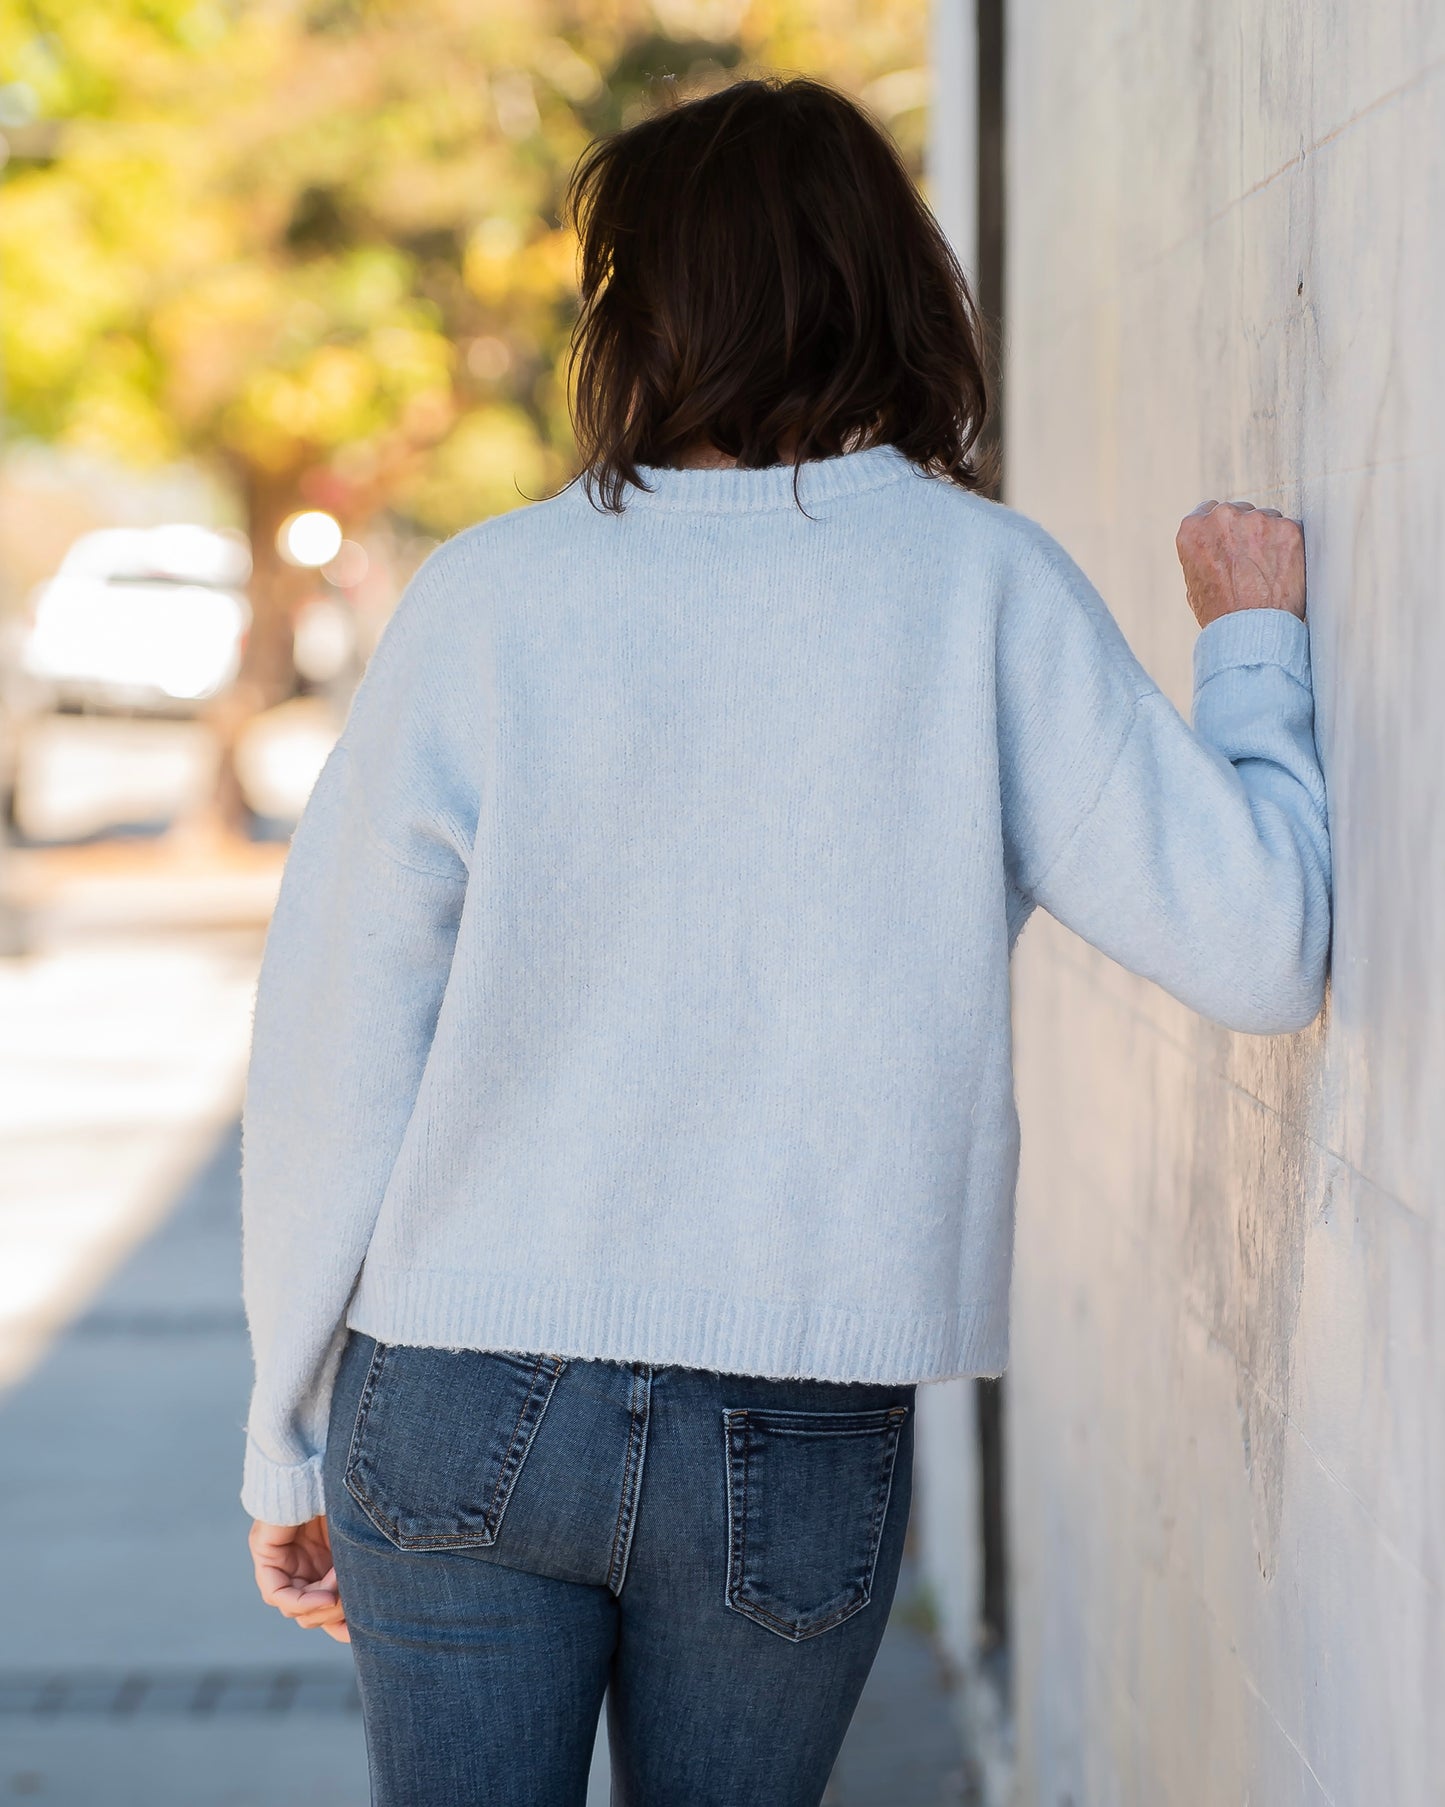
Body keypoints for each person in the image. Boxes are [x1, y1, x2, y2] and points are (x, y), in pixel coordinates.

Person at [241, 74, 1330, 1807]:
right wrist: (1257, 647)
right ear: (897, 288)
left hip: (456, 1395)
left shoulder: (489, 600)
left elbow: (333, 1039)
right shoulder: (979, 586)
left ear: (638, 320)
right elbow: (1263, 949)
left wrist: (279, 1421)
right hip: (796, 1410)